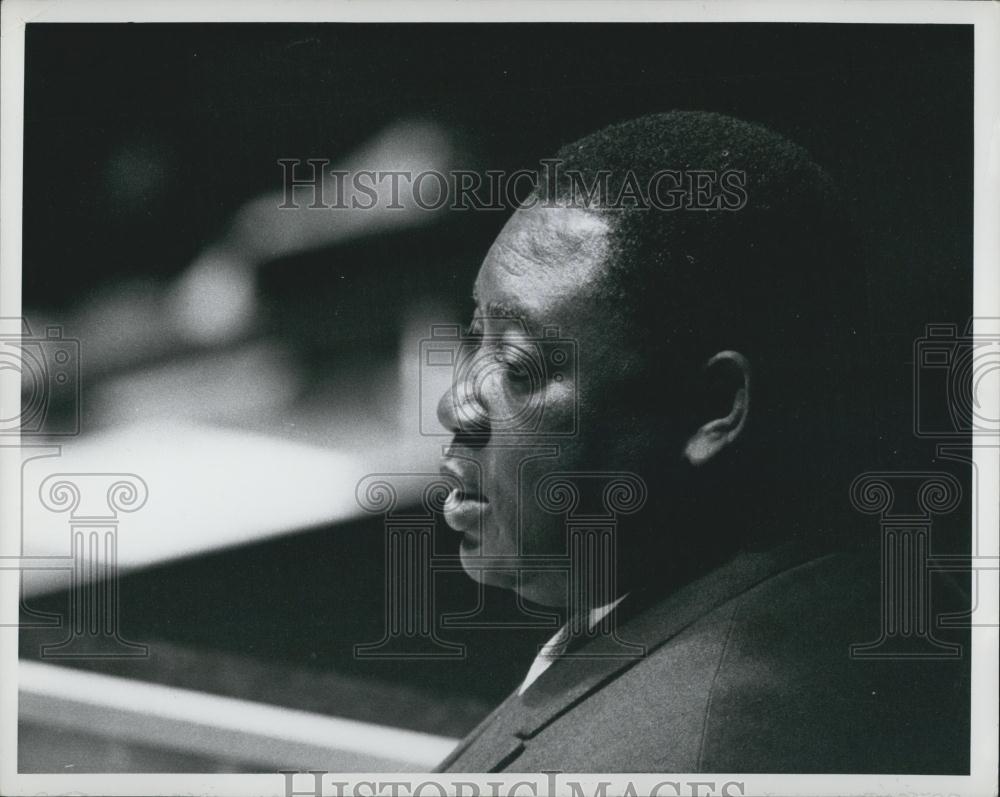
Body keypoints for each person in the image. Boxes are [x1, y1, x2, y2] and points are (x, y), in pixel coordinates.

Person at [433, 111, 968, 773]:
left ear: (712, 408)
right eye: (473, 332)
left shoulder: (669, 758)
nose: (454, 403)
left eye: (517, 365)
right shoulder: (875, 590)